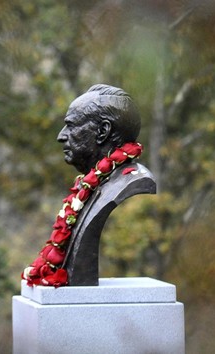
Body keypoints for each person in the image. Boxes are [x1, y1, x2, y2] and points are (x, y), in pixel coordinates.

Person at [23, 84, 156, 286]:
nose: (61, 136)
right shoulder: (89, 186)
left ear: (103, 131)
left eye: (71, 125)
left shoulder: (130, 181)